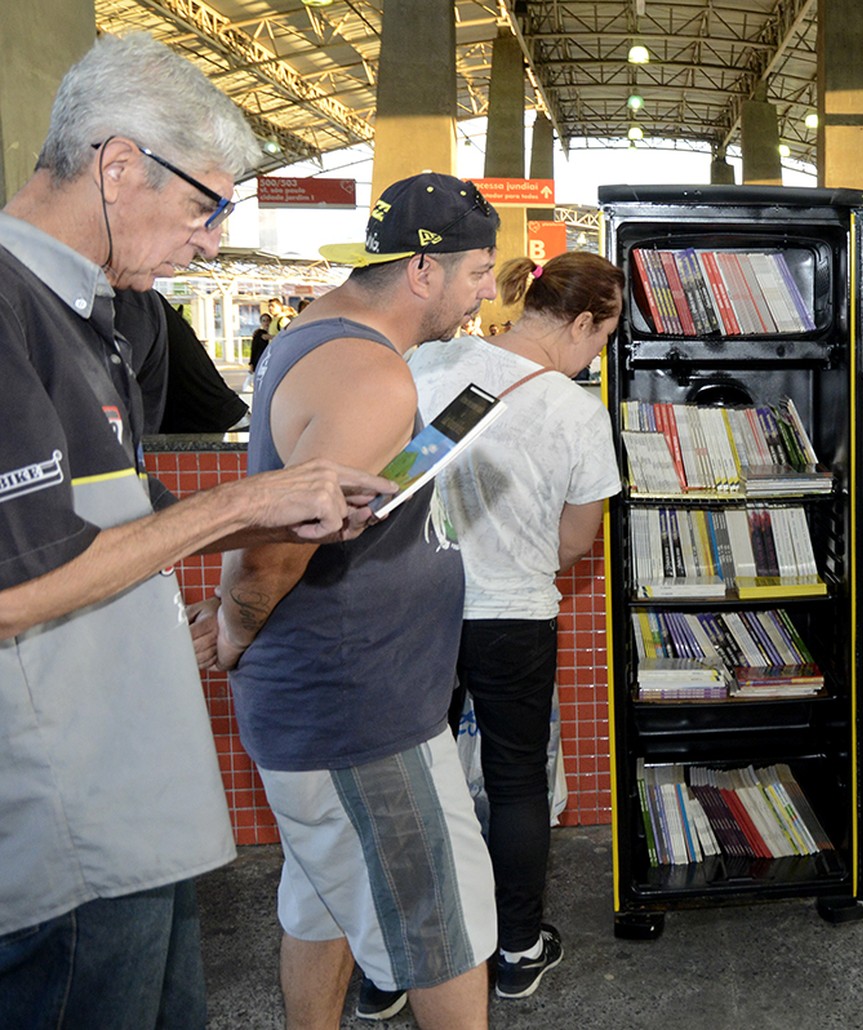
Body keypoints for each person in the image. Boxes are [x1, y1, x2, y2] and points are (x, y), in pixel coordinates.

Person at [0, 33, 391, 1028]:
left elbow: (117, 519)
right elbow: (14, 592)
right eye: (204, 204)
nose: (211, 238)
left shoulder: (107, 312)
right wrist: (245, 504)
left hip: (133, 794)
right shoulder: (12, 313)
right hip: (66, 823)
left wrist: (287, 507)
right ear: (119, 164)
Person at [213, 171, 501, 1030]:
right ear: (423, 272)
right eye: (478, 270)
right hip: (360, 715)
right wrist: (230, 630)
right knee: (440, 932)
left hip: (341, 704)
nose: (486, 289)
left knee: (328, 900)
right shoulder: (370, 377)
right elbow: (271, 549)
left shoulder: (323, 335)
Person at [406, 252, 625, 1004]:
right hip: (512, 617)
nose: (600, 353)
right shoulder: (577, 413)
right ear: (582, 322)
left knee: (406, 784)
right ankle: (518, 950)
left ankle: (394, 962)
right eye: (603, 337)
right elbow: (575, 544)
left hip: (416, 608)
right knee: (516, 782)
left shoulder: (432, 362)